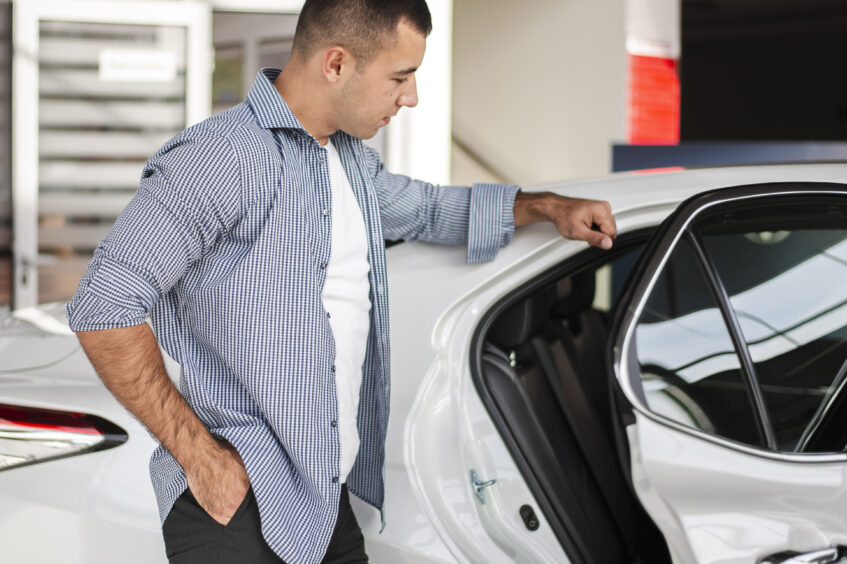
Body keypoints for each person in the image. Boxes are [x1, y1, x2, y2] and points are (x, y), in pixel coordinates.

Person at [67, 0, 616, 562]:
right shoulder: (219, 158)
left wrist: (548, 206)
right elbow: (103, 305)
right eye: (400, 77)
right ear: (335, 64)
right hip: (237, 503)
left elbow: (429, 210)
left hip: (321, 502)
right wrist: (198, 457)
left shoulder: (351, 163)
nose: (411, 97)